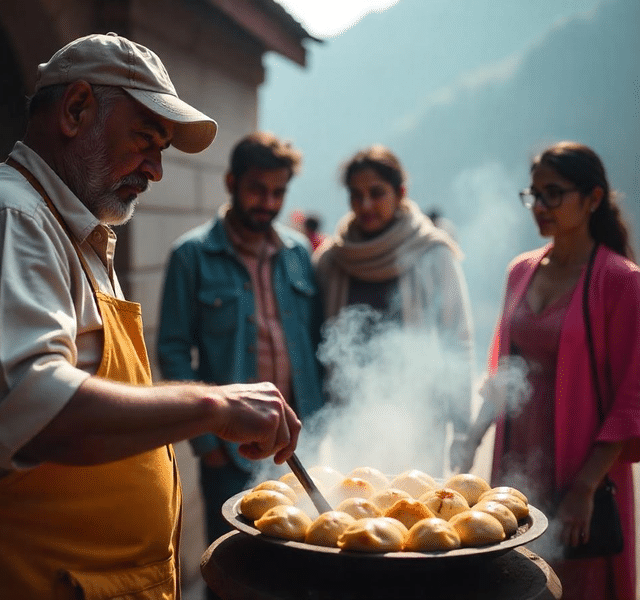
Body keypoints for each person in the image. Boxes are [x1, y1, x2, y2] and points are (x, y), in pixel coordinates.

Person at [0, 33, 301, 600]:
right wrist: (214, 405)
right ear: (76, 109)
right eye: (146, 139)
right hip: (11, 575)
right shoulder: (6, 217)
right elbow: (32, 410)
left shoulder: (76, 231)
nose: (157, 170)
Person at [456, 142, 640, 599]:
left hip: (586, 468)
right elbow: (504, 370)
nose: (539, 207)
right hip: (517, 457)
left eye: (553, 194)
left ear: (593, 198)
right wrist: (474, 436)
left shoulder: (621, 280)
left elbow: (632, 397)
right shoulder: (520, 271)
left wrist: (584, 488)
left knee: (579, 584)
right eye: (533, 195)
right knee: (515, 579)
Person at [157, 132, 325, 549]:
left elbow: (317, 341)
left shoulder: (299, 253)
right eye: (257, 190)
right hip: (230, 451)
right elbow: (172, 349)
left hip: (300, 441)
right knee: (235, 566)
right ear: (232, 183)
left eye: (278, 193)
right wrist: (207, 443)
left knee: (304, 563)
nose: (267, 203)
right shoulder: (190, 255)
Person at [313, 145, 474, 476]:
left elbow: (458, 341)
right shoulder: (333, 260)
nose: (365, 205)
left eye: (376, 193)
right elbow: (318, 343)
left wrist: (462, 428)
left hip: (420, 419)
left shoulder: (432, 253)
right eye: (356, 195)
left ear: (400, 193)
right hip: (351, 420)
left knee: (418, 519)